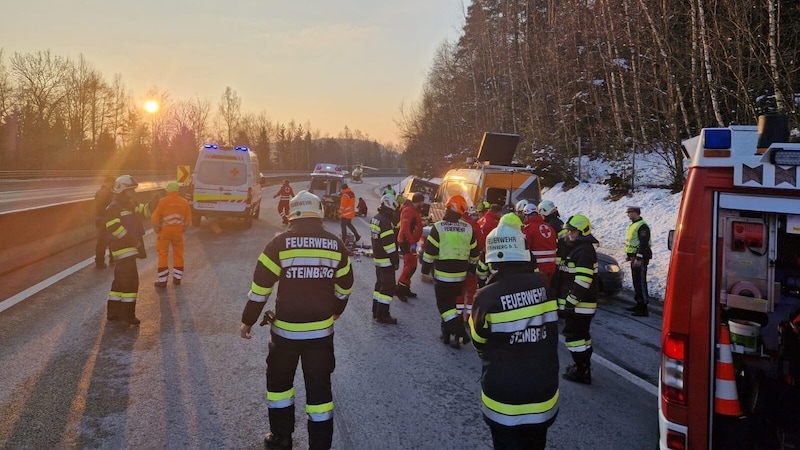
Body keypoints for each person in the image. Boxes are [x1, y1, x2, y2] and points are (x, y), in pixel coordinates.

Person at [239, 190, 354, 450]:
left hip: (285, 336)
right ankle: (320, 445)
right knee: (320, 393)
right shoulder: (336, 244)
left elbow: (260, 288)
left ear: (293, 214)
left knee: (280, 387)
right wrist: (336, 310)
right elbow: (345, 286)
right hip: (321, 335)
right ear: (319, 214)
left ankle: (281, 438)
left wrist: (248, 320)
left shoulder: (278, 244)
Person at [470, 224, 559, 450]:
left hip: (503, 398)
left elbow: (478, 341)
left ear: (491, 259)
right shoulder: (543, 284)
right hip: (543, 391)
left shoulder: (486, 297)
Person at [421, 194, 479, 348]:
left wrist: (424, 270)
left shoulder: (439, 227)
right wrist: (471, 270)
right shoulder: (468, 228)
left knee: (444, 307)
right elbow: (475, 253)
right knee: (451, 306)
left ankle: (461, 334)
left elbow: (429, 253)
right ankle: (447, 335)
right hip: (460, 277)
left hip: (442, 276)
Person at [555, 214, 599, 384]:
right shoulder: (577, 248)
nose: (570, 234)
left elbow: (583, 281)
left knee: (574, 338)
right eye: (569, 231)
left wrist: (569, 303)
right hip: (580, 306)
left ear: (583, 232)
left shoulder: (584, 251)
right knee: (582, 336)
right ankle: (583, 366)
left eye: (573, 231)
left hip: (580, 306)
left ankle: (581, 371)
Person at [105, 175, 151, 325]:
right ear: (123, 191)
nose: (134, 193)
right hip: (123, 249)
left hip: (128, 249)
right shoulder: (114, 208)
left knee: (119, 281)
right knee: (131, 282)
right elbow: (114, 228)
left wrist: (154, 204)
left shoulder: (129, 204)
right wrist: (132, 241)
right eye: (131, 190)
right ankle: (128, 315)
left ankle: (114, 312)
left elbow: (143, 211)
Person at [151, 181, 191, 288]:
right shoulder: (184, 202)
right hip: (178, 232)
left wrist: (157, 228)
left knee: (163, 254)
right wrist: (182, 229)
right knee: (178, 254)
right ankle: (177, 279)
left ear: (167, 190)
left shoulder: (162, 201)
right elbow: (188, 220)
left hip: (165, 232)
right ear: (177, 190)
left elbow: (155, 217)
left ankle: (162, 281)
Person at [455, 205, 486, 339]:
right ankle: (469, 318)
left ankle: (457, 317)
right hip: (471, 262)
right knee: (472, 291)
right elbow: (481, 243)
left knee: (459, 292)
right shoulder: (473, 225)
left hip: (457, 263)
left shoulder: (456, 225)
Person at [370, 194, 400, 324]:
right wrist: (395, 261)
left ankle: (375, 311)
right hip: (386, 261)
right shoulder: (386, 222)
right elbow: (389, 246)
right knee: (388, 288)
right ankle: (383, 314)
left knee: (379, 285)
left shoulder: (376, 219)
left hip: (378, 259)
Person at [519, 202, 558, 286]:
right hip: (552, 266)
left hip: (538, 268)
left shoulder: (528, 229)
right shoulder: (549, 227)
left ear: (526, 215)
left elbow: (524, 248)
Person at [397, 192, 425, 301]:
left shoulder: (413, 210)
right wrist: (412, 242)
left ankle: (405, 288)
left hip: (409, 241)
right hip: (407, 242)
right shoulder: (408, 210)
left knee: (411, 265)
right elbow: (405, 228)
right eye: (422, 202)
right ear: (418, 201)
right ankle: (400, 289)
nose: (423, 204)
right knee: (410, 266)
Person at [625, 206, 652, 317]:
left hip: (639, 258)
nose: (628, 215)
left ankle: (643, 308)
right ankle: (638, 304)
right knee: (636, 282)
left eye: (629, 212)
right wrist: (629, 255)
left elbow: (643, 243)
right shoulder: (634, 225)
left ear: (636, 213)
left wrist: (639, 258)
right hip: (634, 257)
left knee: (640, 282)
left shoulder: (642, 226)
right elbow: (633, 242)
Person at [94, 175, 116, 268]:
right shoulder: (109, 194)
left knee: (101, 242)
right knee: (111, 240)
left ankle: (100, 261)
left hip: (99, 219)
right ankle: (111, 260)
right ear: (109, 182)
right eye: (113, 183)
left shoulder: (99, 192)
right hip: (106, 219)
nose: (113, 185)